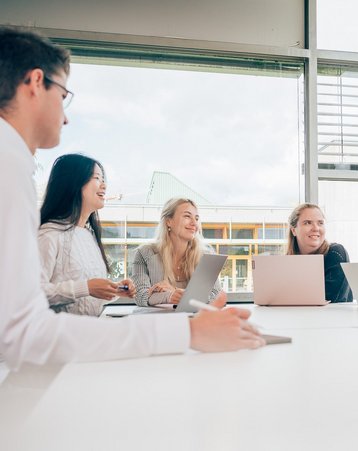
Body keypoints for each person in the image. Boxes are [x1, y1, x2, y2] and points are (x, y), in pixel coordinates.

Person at [0, 27, 264, 369]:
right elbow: (22, 333)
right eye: (63, 95)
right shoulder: (8, 167)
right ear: (36, 82)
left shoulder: (15, 166)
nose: (65, 116)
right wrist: (187, 334)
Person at [38, 154, 135, 316]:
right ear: (73, 183)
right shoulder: (48, 235)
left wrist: (115, 290)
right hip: (59, 336)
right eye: (97, 178)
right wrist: (87, 287)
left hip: (87, 331)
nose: (104, 185)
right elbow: (31, 292)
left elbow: (87, 297)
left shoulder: (88, 236)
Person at [132, 198, 224, 307]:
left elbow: (217, 297)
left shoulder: (207, 256)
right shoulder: (144, 253)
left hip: (195, 320)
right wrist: (169, 296)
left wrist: (175, 291)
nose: (194, 223)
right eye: (187, 216)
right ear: (168, 221)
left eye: (197, 218)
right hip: (159, 321)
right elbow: (141, 296)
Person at [286, 203, 352, 302]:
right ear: (293, 230)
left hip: (332, 317)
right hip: (297, 316)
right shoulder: (285, 264)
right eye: (308, 223)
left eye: (320, 223)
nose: (316, 228)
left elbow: (331, 298)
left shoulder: (336, 253)